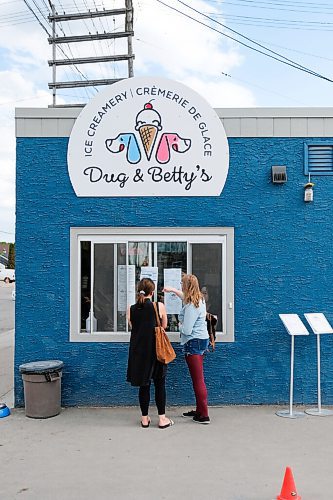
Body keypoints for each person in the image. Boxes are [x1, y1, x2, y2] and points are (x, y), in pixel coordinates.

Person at [126, 278, 174, 429]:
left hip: (139, 352)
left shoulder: (131, 309)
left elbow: (134, 327)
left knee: (143, 385)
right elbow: (164, 326)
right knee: (160, 385)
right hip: (156, 351)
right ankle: (162, 419)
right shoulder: (158, 306)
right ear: (152, 292)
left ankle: (145, 419)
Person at [164, 274, 210, 424]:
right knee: (198, 379)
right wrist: (172, 290)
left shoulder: (191, 306)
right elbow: (185, 296)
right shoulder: (199, 299)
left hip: (193, 342)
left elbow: (187, 330)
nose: (181, 286)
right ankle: (200, 409)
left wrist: (178, 325)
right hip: (201, 340)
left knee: (198, 380)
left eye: (182, 284)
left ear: (187, 286)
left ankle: (203, 415)